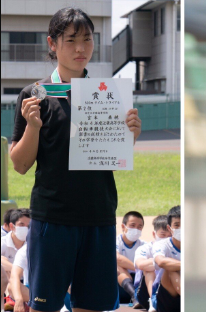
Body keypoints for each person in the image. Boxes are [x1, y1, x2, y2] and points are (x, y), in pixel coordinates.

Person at [9, 7, 141, 312]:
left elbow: (111, 157)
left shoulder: (108, 95)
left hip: (99, 215)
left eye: (87, 39)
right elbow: (20, 164)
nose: (81, 48)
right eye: (71, 40)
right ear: (52, 44)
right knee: (45, 306)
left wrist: (130, 135)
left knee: (92, 306)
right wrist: (33, 126)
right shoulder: (36, 94)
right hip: (52, 219)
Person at [134, 215, 171, 312]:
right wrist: (164, 261)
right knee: (148, 269)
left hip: (165, 289)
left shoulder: (173, 248)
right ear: (154, 234)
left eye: (169, 236)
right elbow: (141, 264)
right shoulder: (144, 248)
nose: (166, 239)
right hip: (144, 293)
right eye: (163, 235)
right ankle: (152, 301)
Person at [153, 206, 181, 312]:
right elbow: (161, 261)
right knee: (171, 269)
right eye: (177, 225)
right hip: (166, 294)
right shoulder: (161, 244)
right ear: (170, 228)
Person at [116, 211, 146, 305]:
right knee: (117, 266)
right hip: (120, 282)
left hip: (138, 280)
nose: (136, 229)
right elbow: (117, 258)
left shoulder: (143, 245)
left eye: (139, 227)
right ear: (123, 226)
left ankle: (137, 297)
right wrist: (138, 267)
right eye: (132, 225)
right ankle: (135, 296)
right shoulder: (115, 241)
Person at [1, 209, 30, 276]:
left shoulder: (32, 244)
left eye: (28, 226)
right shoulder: (3, 242)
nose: (25, 228)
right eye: (21, 224)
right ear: (12, 226)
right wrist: (17, 270)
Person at [8, 245, 30, 312]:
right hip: (33, 291)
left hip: (58, 290)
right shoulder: (25, 250)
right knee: (11, 287)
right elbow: (15, 276)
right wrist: (19, 300)